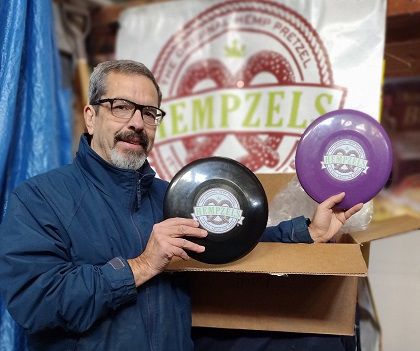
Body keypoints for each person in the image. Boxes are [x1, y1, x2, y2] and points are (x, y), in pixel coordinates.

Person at [0, 60, 363, 351]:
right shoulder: (39, 198)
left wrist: (309, 231)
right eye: (121, 107)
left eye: (149, 112)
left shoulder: (168, 197)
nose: (136, 123)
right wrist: (141, 265)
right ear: (91, 117)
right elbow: (36, 301)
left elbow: (239, 238)